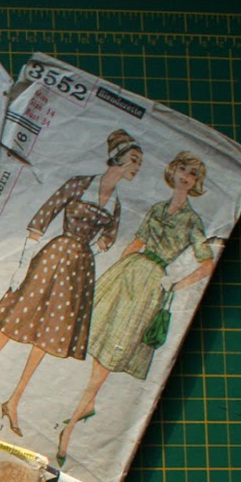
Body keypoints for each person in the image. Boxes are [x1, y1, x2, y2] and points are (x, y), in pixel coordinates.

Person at [0, 130, 143, 442]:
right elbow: (43, 217)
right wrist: (21, 265)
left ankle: (14, 401)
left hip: (79, 270)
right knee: (12, 323)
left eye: (139, 164)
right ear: (118, 158)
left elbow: (109, 238)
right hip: (52, 257)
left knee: (49, 336)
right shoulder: (80, 184)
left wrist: (89, 252)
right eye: (134, 160)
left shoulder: (116, 203)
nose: (137, 167)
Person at [58, 152, 217, 464]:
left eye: (192, 174)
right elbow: (135, 244)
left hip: (151, 286)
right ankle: (87, 404)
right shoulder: (158, 208)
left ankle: (74, 422)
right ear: (173, 170)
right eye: (182, 169)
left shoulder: (192, 221)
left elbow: (207, 264)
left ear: (196, 183)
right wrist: (111, 275)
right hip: (128, 274)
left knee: (113, 351)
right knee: (101, 339)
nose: (185, 177)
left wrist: (176, 284)